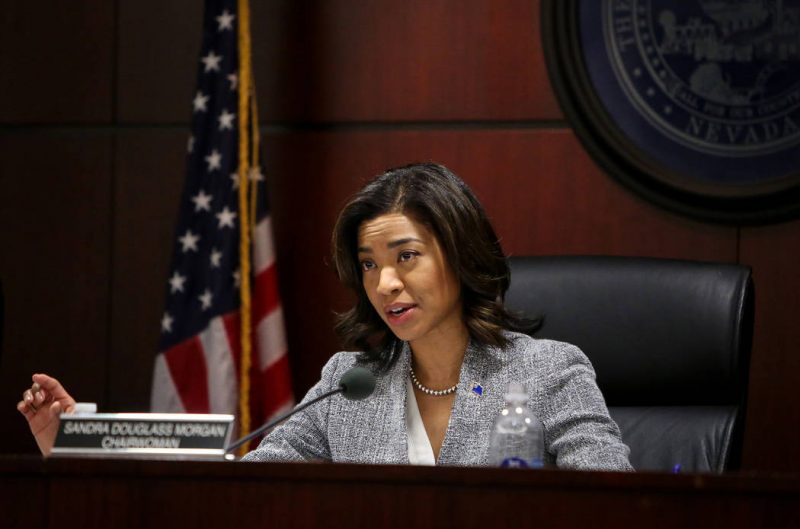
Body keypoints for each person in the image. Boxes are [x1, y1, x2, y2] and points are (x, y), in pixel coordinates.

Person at [18, 163, 632, 470]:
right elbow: (240, 490)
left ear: (461, 255)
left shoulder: (549, 372)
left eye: (406, 256)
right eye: (368, 264)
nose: (385, 283)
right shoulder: (350, 383)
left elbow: (609, 510)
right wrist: (78, 448)